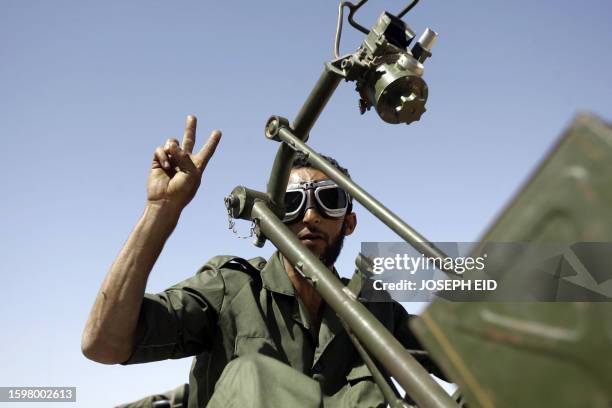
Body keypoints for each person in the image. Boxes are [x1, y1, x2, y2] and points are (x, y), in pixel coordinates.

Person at [82, 115, 444, 408]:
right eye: (292, 203)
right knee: (254, 376)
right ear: (275, 216)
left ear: (348, 223)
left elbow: (468, 358)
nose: (310, 215)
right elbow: (103, 343)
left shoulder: (374, 308)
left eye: (329, 200)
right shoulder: (231, 288)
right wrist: (161, 211)